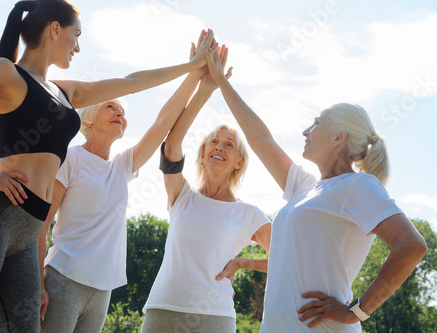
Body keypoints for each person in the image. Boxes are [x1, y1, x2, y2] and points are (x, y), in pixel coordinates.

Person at [0, 0, 214, 330]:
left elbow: (133, 81)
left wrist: (192, 66)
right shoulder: (4, 72)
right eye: (76, 35)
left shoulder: (62, 92)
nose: (78, 47)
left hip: (26, 235)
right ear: (55, 29)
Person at [202, 49, 428, 332]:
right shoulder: (304, 188)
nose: (306, 131)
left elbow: (412, 246)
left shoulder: (358, 185)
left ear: (338, 137)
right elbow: (259, 137)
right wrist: (221, 81)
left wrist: (358, 310)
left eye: (317, 123)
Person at [38, 31, 216, 333]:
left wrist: (197, 74)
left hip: (103, 289)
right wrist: (37, 283)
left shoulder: (122, 166)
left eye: (123, 111)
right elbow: (42, 226)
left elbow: (162, 123)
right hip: (63, 279)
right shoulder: (69, 159)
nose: (120, 113)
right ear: (90, 119)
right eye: (111, 107)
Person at [141, 46, 271, 333]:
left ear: (238, 161)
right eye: (213, 141)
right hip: (163, 309)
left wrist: (241, 263)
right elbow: (171, 145)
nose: (219, 146)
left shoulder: (248, 214)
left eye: (228, 144)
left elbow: (288, 255)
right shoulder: (182, 197)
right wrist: (205, 88)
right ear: (202, 154)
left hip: (215, 317)